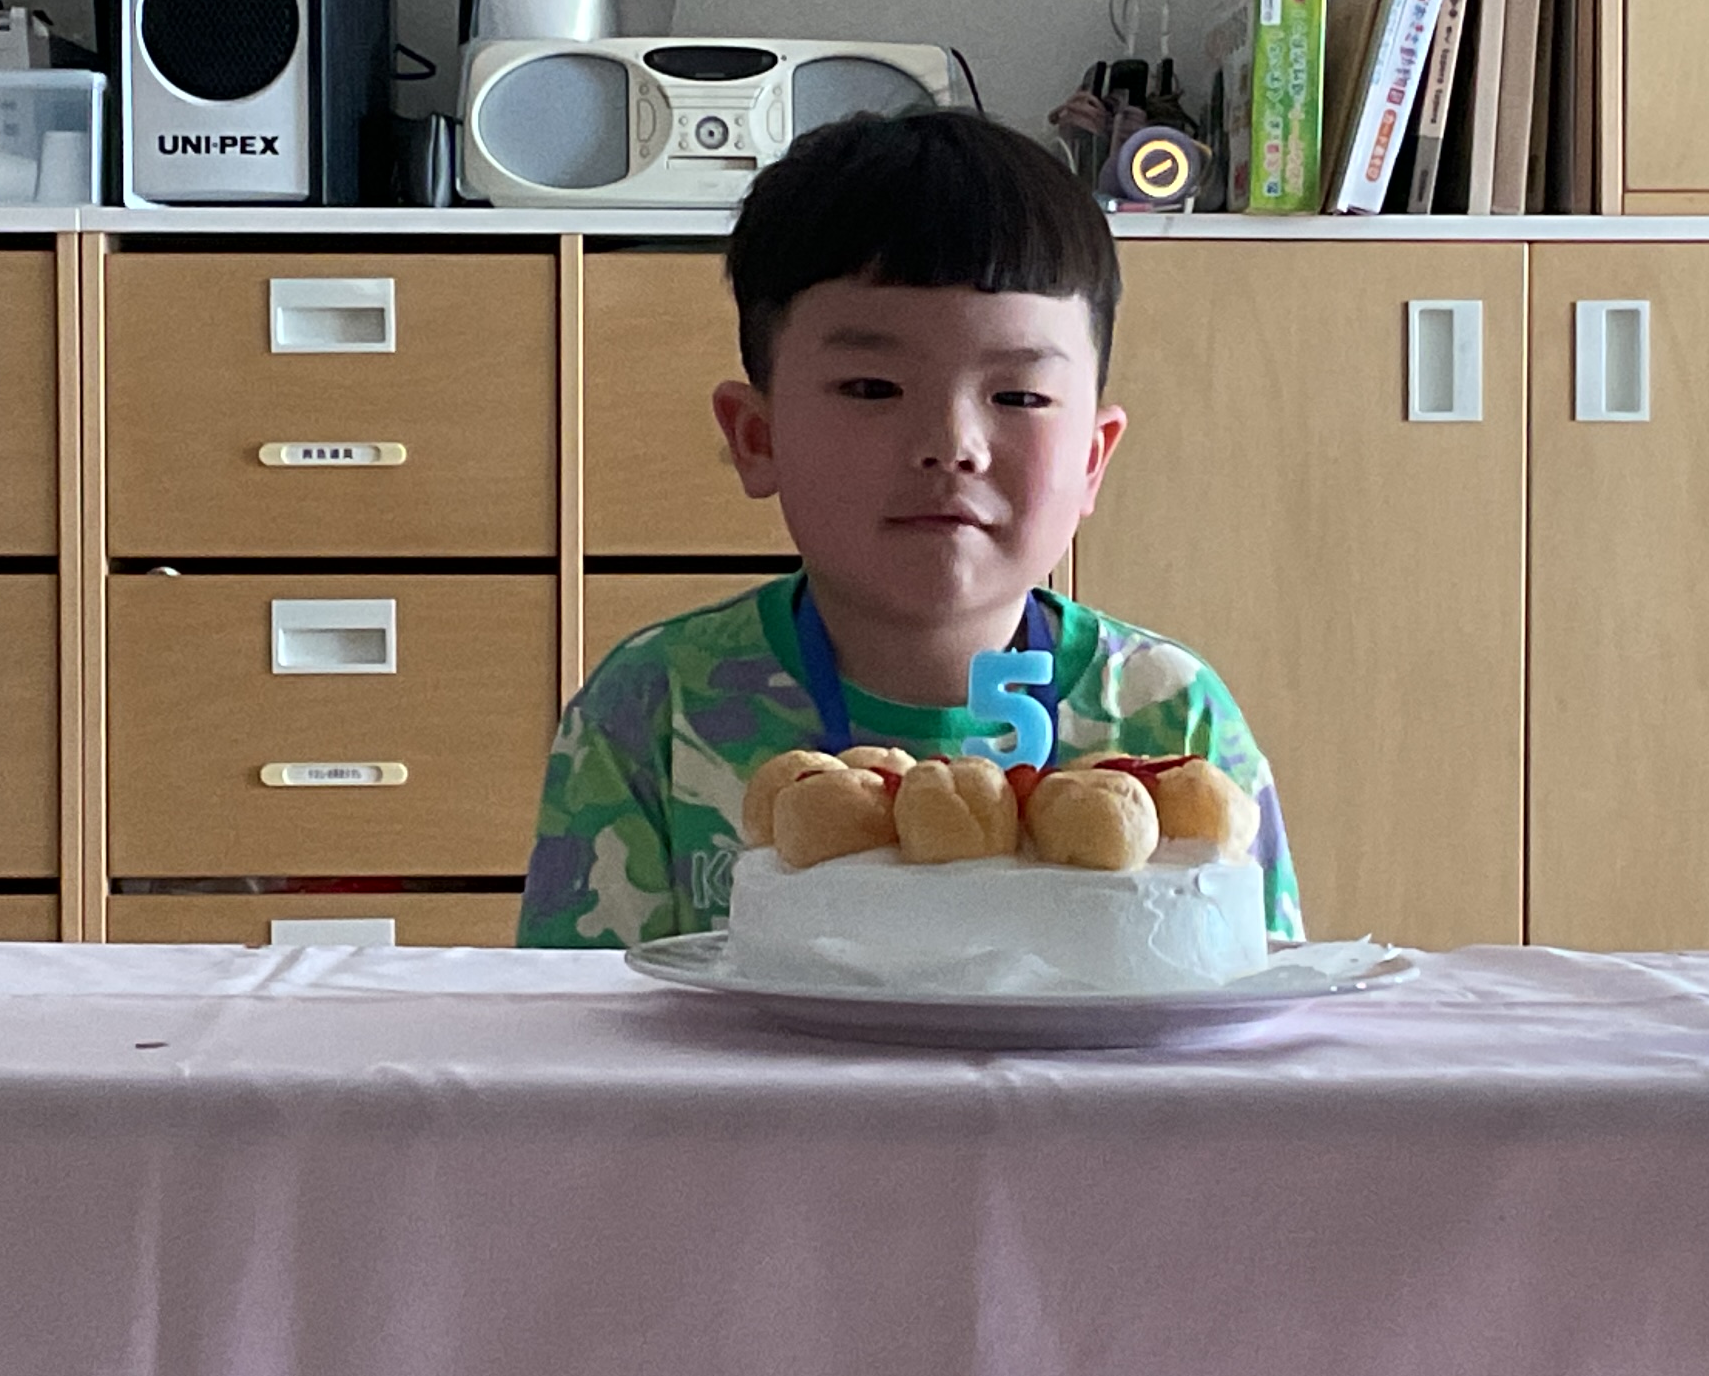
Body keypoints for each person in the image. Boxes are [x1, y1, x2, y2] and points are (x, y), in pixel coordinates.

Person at [517, 111, 1297, 946]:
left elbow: (1263, 1002)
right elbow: (577, 1017)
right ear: (757, 437)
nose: (951, 444)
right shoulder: (652, 710)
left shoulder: (1171, 719)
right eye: (871, 388)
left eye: (1019, 397)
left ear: (1093, 460)